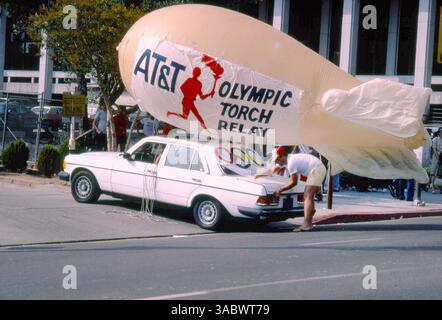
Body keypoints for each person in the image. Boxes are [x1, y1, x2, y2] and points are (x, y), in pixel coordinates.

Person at [257, 146, 327, 232]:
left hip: (317, 169)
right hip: (317, 168)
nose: (276, 161)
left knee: (308, 196)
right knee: (308, 196)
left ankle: (307, 224)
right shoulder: (286, 160)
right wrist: (258, 175)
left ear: (282, 156)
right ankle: (310, 216)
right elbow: (273, 169)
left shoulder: (291, 162)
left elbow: (293, 182)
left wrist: (280, 189)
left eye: (277, 159)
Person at [431, 128, 442, 193]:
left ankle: (441, 188)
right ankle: (433, 188)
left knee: (441, 173)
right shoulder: (435, 139)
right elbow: (434, 149)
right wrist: (438, 157)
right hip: (436, 157)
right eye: (440, 132)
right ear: (439, 133)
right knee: (433, 172)